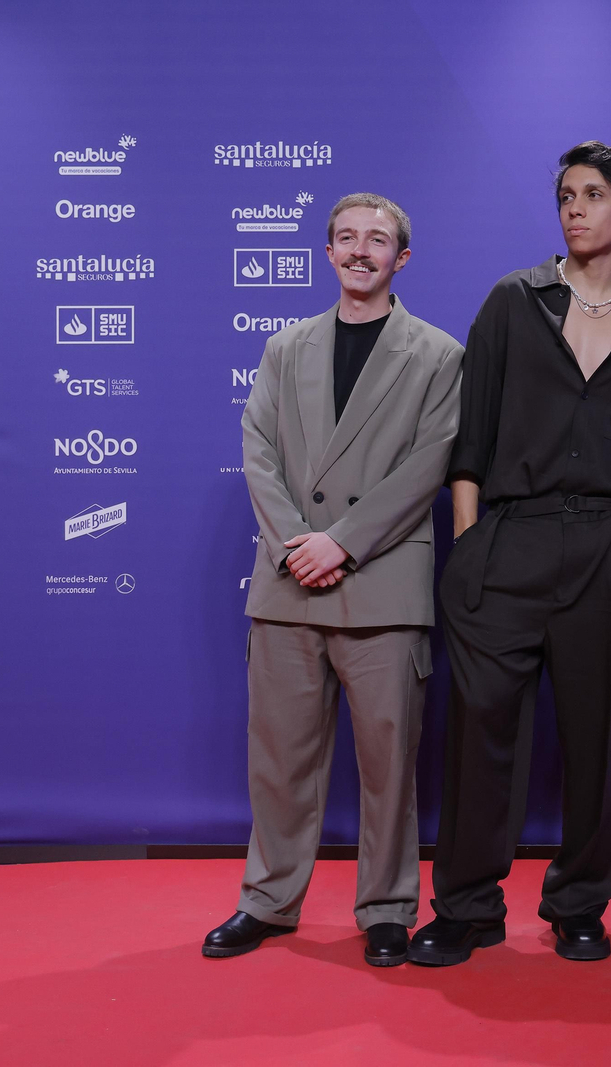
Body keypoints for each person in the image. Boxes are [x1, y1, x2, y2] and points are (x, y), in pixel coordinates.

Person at [408, 142, 611, 966]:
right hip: (509, 539)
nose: (576, 208)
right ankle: (467, 905)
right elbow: (470, 441)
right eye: (566, 195)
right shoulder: (512, 301)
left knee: (603, 736)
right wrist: (469, 552)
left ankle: (580, 902)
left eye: (595, 194)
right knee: (480, 732)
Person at [202, 193, 463, 967]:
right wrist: (295, 545)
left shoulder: (440, 354)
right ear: (327, 252)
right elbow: (257, 448)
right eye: (346, 237)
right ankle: (268, 899)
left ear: (401, 258)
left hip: (381, 584)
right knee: (278, 760)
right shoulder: (284, 347)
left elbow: (430, 464)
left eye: (376, 239)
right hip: (287, 585)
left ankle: (385, 907)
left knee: (390, 764)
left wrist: (343, 543)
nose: (360, 250)